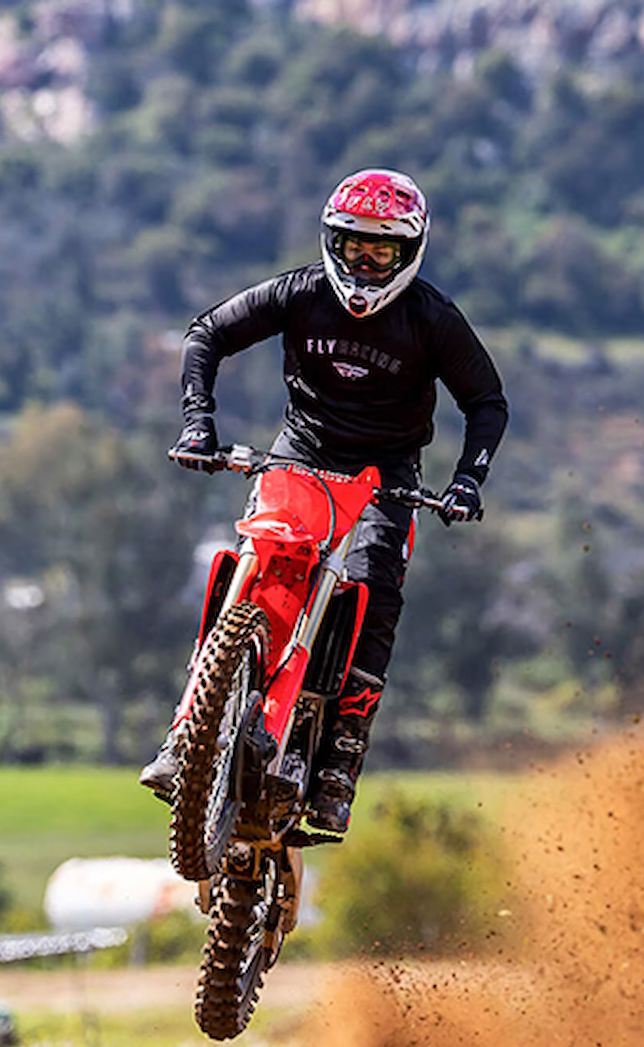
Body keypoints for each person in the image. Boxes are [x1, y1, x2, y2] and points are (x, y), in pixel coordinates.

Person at [139, 168, 509, 834]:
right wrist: (198, 422)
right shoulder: (300, 292)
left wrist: (467, 479)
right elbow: (206, 334)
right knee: (254, 561)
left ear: (409, 252)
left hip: (384, 475)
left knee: (373, 587)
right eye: (352, 246)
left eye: (380, 252)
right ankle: (187, 731)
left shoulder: (432, 319)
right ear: (330, 242)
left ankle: (341, 756)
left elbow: (486, 402)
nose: (363, 264)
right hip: (299, 454)